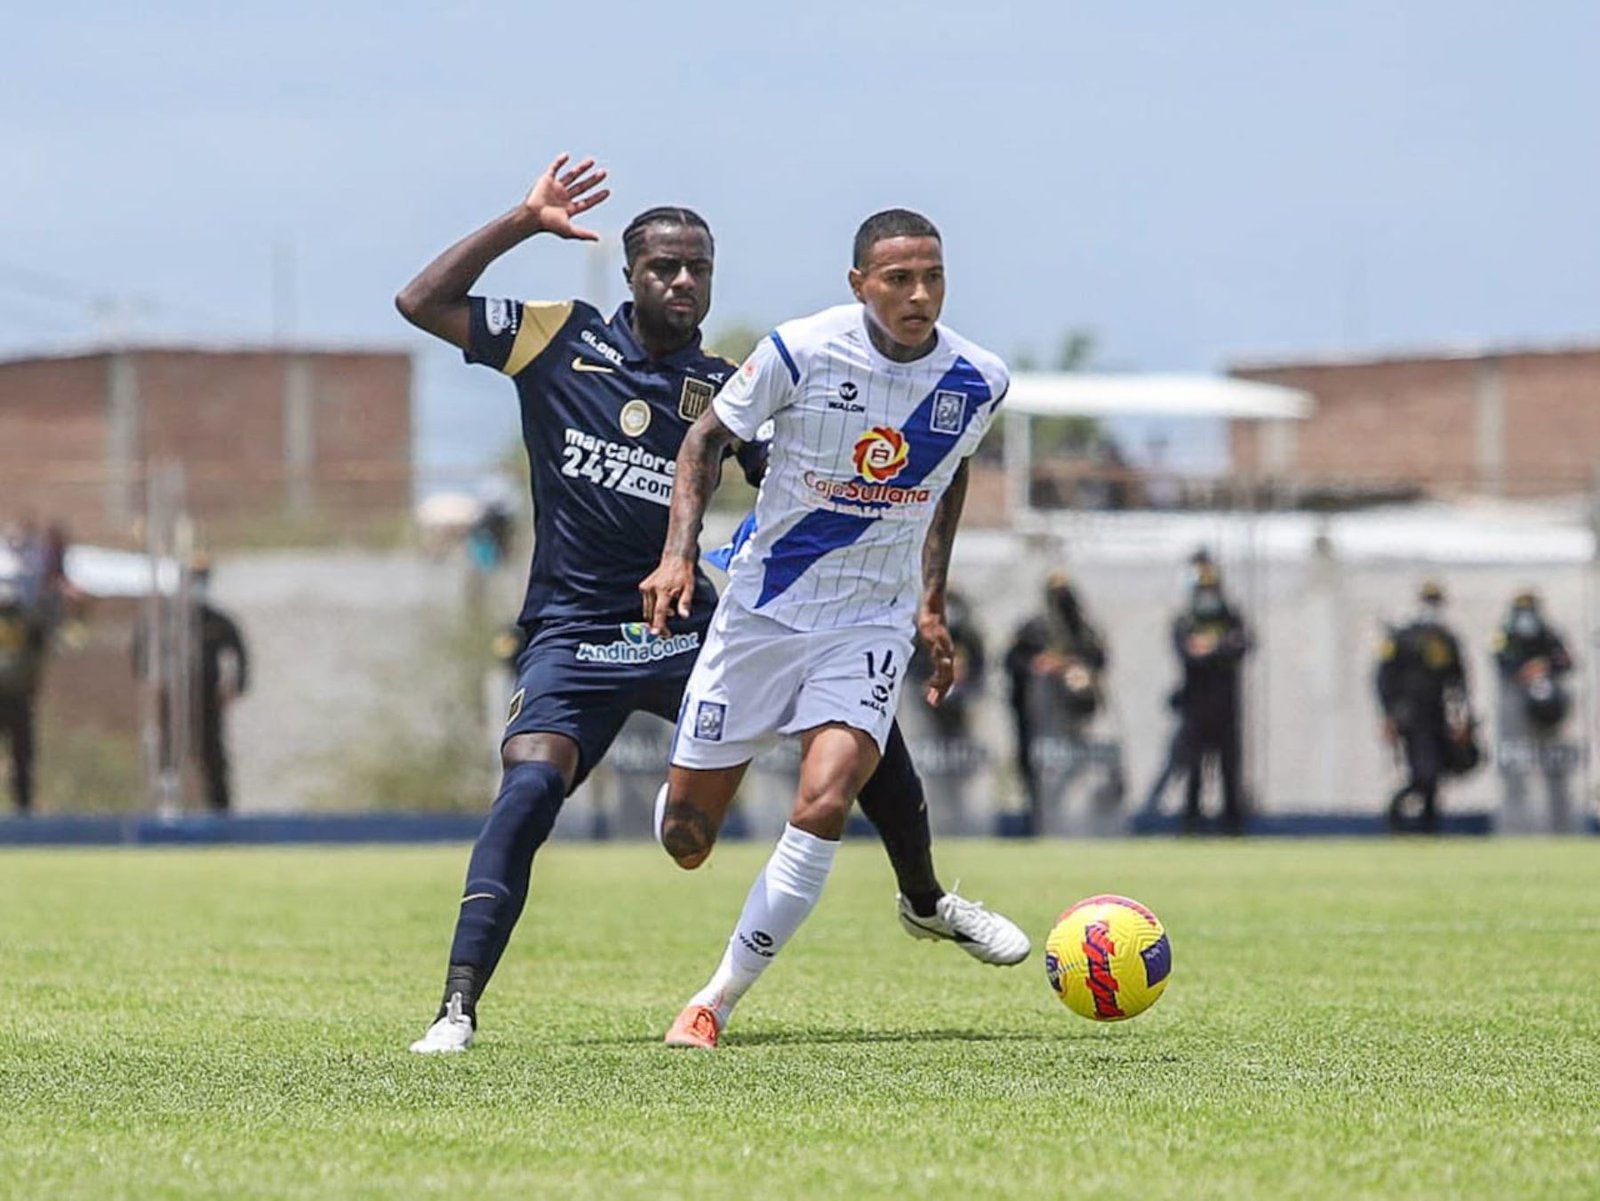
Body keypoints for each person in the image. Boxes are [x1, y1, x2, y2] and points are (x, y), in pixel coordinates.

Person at [397, 162, 1020, 1054]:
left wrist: (907, 594)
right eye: (662, 267)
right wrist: (526, 222)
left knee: (861, 739)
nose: (682, 282)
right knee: (538, 790)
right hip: (572, 633)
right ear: (631, 275)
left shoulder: (733, 380)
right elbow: (421, 300)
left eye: (698, 269)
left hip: (684, 625)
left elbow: (811, 478)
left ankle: (924, 898)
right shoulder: (555, 339)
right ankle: (456, 1007)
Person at [640, 207, 1030, 1051]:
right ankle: (918, 898)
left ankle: (714, 1001)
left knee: (823, 800)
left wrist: (930, 602)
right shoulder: (801, 351)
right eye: (898, 279)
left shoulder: (978, 380)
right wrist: (678, 557)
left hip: (868, 623)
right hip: (761, 613)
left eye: (932, 277)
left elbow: (950, 470)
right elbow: (706, 441)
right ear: (859, 285)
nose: (918, 294)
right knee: (686, 839)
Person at [1003, 571, 1107, 829]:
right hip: (1037, 714)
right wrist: (1037, 665)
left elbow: (1098, 659)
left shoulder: (1082, 629)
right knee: (1035, 768)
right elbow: (1012, 662)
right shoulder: (1033, 628)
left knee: (1073, 765)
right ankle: (1038, 819)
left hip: (1073, 714)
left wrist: (1071, 666)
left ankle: (1069, 818)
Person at [1376, 580, 1472, 833]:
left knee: (1436, 774)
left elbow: (1459, 681)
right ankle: (1398, 818)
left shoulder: (1447, 639)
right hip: (1410, 714)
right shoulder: (1402, 636)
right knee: (1424, 771)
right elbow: (1384, 678)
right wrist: (1388, 715)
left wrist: (1461, 717)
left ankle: (1429, 826)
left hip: (1437, 713)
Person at [1171, 561, 1250, 832]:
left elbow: (1241, 647)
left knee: (1230, 770)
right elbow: (1187, 653)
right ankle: (1191, 823)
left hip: (1227, 706)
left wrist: (1212, 648)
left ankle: (1232, 825)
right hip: (1196, 706)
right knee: (1194, 770)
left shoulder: (1231, 618)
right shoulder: (1186, 620)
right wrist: (1213, 651)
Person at [1491, 590, 1575, 829]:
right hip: (1516, 717)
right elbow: (1502, 664)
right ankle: (1514, 827)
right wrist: (1524, 671)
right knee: (1515, 774)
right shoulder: (1504, 637)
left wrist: (1544, 666)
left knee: (1556, 771)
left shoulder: (1550, 636)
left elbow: (1567, 661)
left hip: (1550, 717)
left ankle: (1561, 826)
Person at [191, 562, 249, 812]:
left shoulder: (218, 621)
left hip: (208, 699)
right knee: (170, 758)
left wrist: (236, 686)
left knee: (213, 756)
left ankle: (220, 812)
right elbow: (142, 652)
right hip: (174, 699)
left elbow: (241, 655)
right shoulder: (170, 621)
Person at [0, 577, 46, 815]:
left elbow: (37, 656)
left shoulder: (28, 625)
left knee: (22, 755)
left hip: (19, 698)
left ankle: (23, 806)